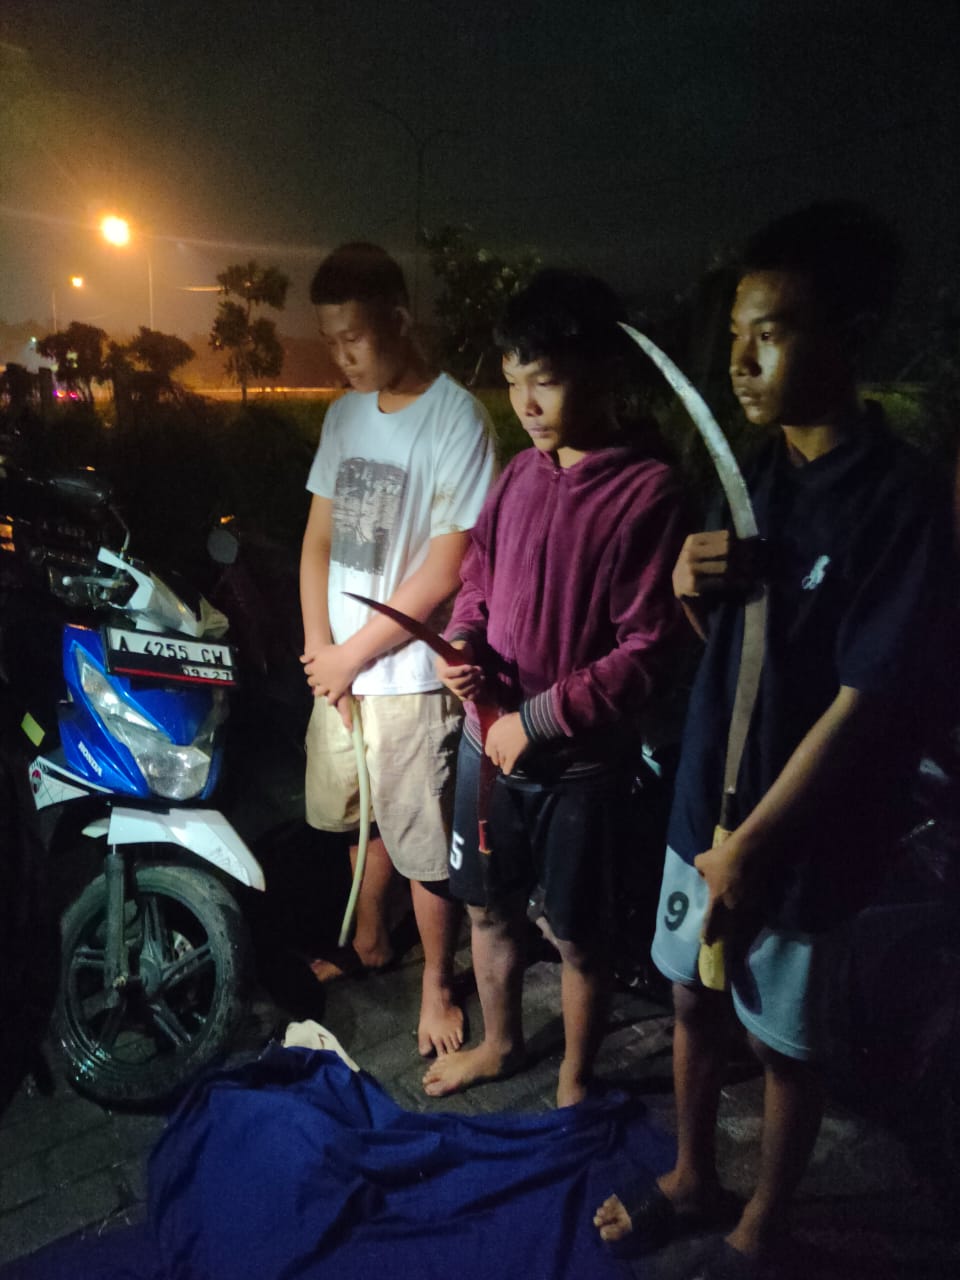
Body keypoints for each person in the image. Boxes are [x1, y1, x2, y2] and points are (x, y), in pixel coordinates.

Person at [594, 203, 955, 1278]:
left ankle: (765, 1219)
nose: (742, 360)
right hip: (709, 790)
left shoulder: (901, 501)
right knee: (691, 995)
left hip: (807, 833)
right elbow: (735, 648)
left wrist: (754, 845)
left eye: (774, 332)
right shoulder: (751, 471)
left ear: (850, 335)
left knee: (784, 1038)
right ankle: (690, 1175)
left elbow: (865, 700)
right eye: (737, 333)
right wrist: (684, 582)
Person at [423, 270, 689, 1107]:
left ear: (602, 371)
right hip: (488, 743)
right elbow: (478, 576)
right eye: (512, 383)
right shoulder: (517, 477)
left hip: (579, 764)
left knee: (577, 933)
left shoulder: (647, 491)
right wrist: (463, 641)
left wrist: (537, 719)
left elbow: (648, 650)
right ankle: (502, 1044)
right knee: (487, 909)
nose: (527, 405)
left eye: (545, 380)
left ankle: (577, 1075)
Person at [299, 242, 495, 1057]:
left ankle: (437, 982)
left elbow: (446, 568)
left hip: (410, 675)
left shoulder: (456, 418)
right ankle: (370, 938)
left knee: (422, 844)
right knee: (358, 814)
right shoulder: (343, 416)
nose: (341, 357)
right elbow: (316, 540)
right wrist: (321, 648)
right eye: (330, 341)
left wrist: (354, 657)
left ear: (400, 321)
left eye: (353, 338)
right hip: (339, 669)